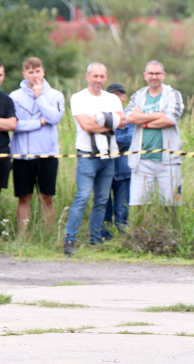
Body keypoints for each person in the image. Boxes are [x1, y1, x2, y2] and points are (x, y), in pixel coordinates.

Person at [64, 63, 126, 255]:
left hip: (109, 155)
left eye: (102, 76)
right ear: (88, 76)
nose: (98, 80)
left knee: (101, 199)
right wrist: (108, 123)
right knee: (82, 197)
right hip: (87, 155)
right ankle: (70, 239)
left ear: (105, 78)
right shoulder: (79, 98)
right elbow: (85, 125)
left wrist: (98, 120)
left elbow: (122, 121)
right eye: (95, 76)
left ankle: (95, 239)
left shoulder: (112, 99)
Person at [9, 57, 64, 235]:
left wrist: (39, 96)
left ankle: (48, 237)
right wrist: (38, 123)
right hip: (22, 156)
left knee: (46, 198)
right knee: (24, 198)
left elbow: (54, 118)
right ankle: (23, 238)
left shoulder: (55, 95)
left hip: (47, 155)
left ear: (43, 72)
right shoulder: (14, 97)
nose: (35, 75)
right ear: (25, 74)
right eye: (31, 72)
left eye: (38, 71)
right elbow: (14, 125)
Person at [125, 61, 184, 208]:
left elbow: (170, 119)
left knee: (171, 206)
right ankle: (141, 231)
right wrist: (158, 115)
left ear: (163, 75)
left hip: (168, 160)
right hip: (141, 160)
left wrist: (143, 120)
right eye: (151, 73)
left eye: (157, 73)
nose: (154, 77)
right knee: (139, 206)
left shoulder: (173, 95)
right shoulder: (138, 96)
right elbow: (130, 118)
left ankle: (170, 232)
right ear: (145, 75)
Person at [102, 83, 133, 237]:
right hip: (103, 168)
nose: (116, 98)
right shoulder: (100, 117)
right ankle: (104, 238)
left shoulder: (130, 117)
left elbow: (131, 138)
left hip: (123, 169)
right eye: (112, 95)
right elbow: (97, 138)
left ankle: (122, 238)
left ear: (124, 97)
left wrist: (110, 142)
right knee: (103, 206)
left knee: (122, 208)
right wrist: (117, 143)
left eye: (118, 95)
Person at [0, 63, 17, 199]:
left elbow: (12, 124)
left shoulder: (7, 100)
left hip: (2, 153)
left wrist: (6, 124)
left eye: (0, 75)